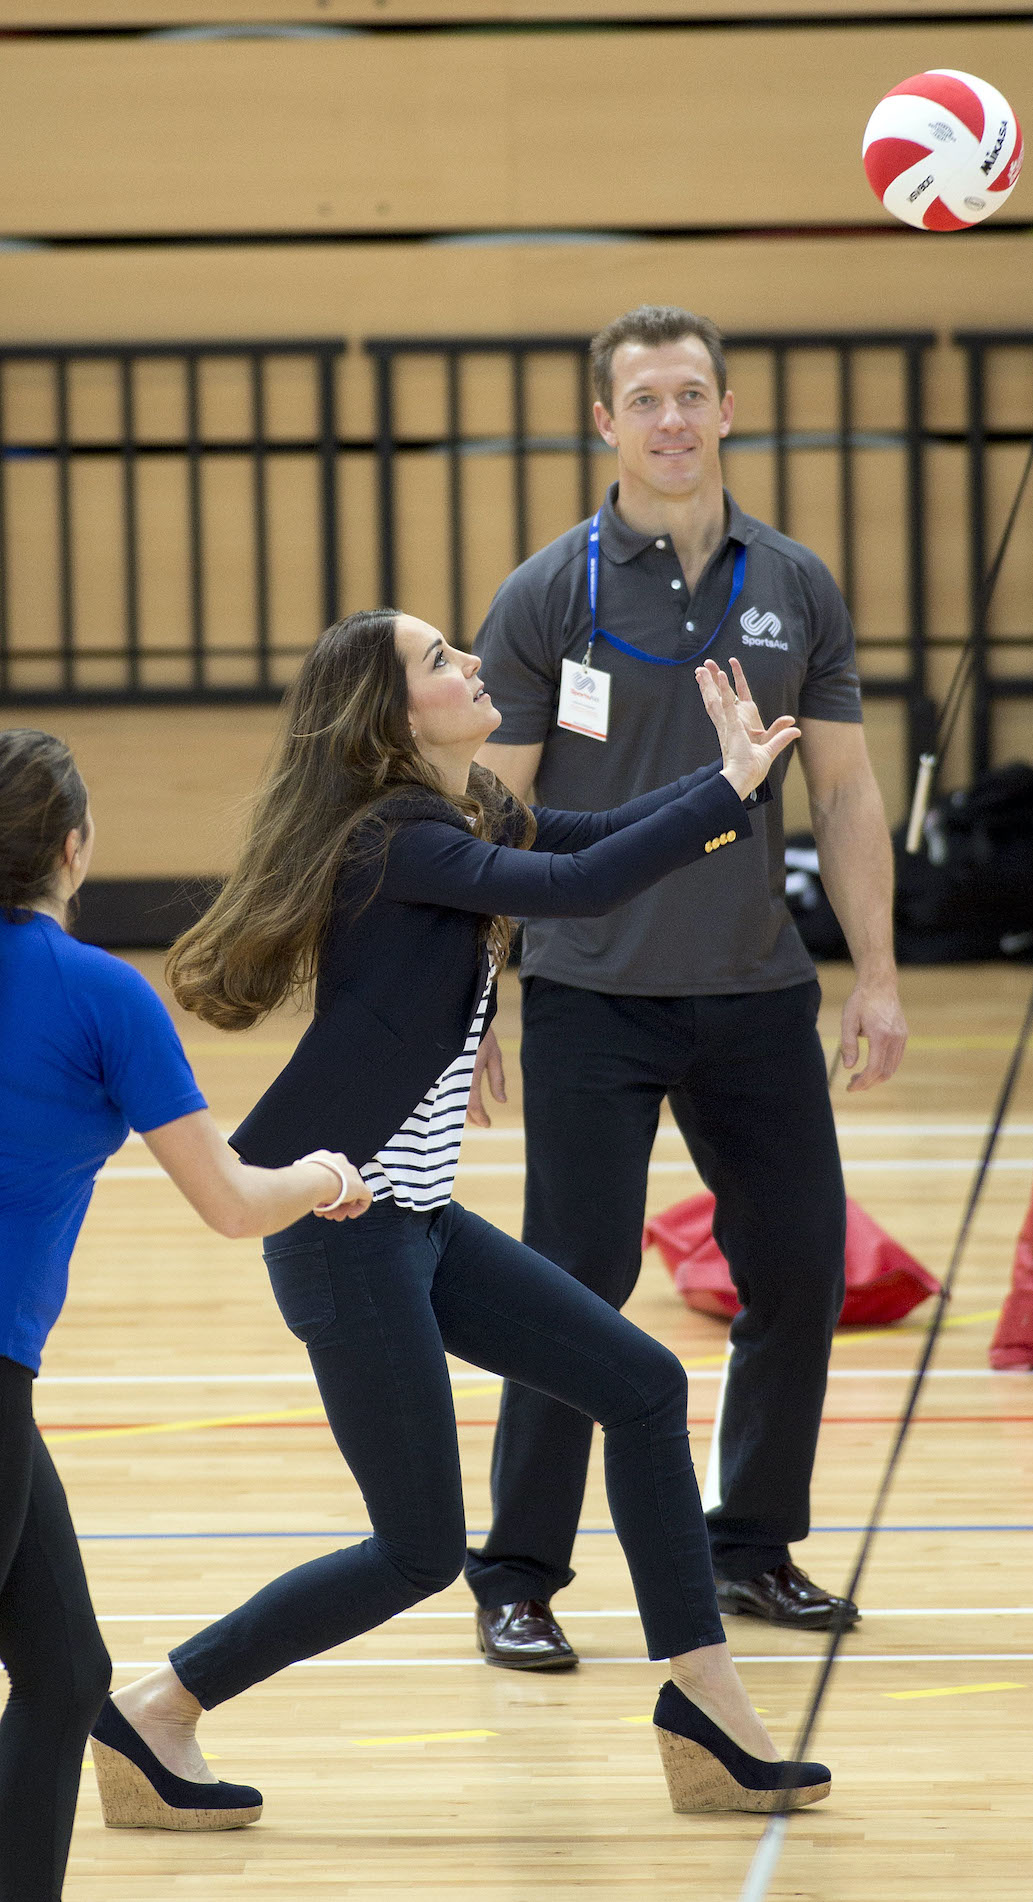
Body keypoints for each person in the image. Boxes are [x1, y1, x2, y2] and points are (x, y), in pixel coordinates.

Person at [91, 609, 831, 1831]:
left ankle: (705, 1704)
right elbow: (576, 885)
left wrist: (724, 778)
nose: (472, 665)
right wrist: (734, 787)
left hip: (419, 1225)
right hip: (342, 1233)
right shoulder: (393, 835)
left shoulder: (468, 805)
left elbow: (580, 836)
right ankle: (160, 1703)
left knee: (643, 1386)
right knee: (416, 1550)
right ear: (390, 717)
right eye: (441, 660)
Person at [465, 303, 908, 1671]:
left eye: (692, 395)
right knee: (573, 1285)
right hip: (595, 996)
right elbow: (494, 816)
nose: (671, 420)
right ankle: (521, 1573)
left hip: (756, 990)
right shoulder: (551, 593)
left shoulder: (798, 583)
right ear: (606, 423)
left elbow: (841, 788)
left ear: (726, 412)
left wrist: (877, 974)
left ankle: (753, 1543)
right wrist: (480, 1003)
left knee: (797, 1271)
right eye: (644, 398)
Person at [0, 727, 371, 1900]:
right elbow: (229, 1201)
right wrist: (323, 1175)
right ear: (74, 848)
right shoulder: (103, 993)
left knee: (65, 1672)